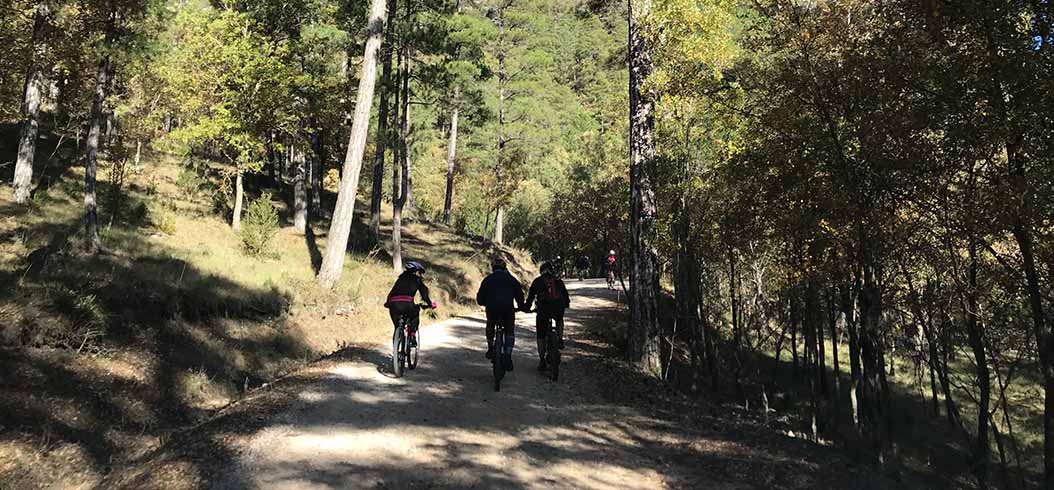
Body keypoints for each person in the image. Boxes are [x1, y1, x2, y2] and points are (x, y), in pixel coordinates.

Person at [476, 256, 525, 371]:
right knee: (509, 330)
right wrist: (520, 306)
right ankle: (508, 354)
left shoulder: (487, 280)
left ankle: (490, 348)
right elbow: (519, 295)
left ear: (493, 268)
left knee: (490, 325)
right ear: (504, 268)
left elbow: (479, 299)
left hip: (492, 309)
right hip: (508, 309)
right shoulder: (511, 279)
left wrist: (485, 303)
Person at [523, 262, 570, 371]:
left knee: (540, 335)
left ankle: (542, 360)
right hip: (558, 308)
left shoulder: (537, 281)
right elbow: (566, 297)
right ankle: (560, 338)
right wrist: (565, 304)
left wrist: (526, 308)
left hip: (543, 309)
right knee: (559, 319)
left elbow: (530, 298)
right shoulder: (558, 281)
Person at [384, 261, 437, 347]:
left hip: (393, 305)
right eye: (420, 273)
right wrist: (430, 304)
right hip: (407, 304)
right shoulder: (417, 280)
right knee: (415, 312)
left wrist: (388, 303)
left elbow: (391, 293)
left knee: (397, 326)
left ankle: (396, 350)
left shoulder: (400, 279)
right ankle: (412, 336)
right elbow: (424, 296)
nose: (420, 275)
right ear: (415, 271)